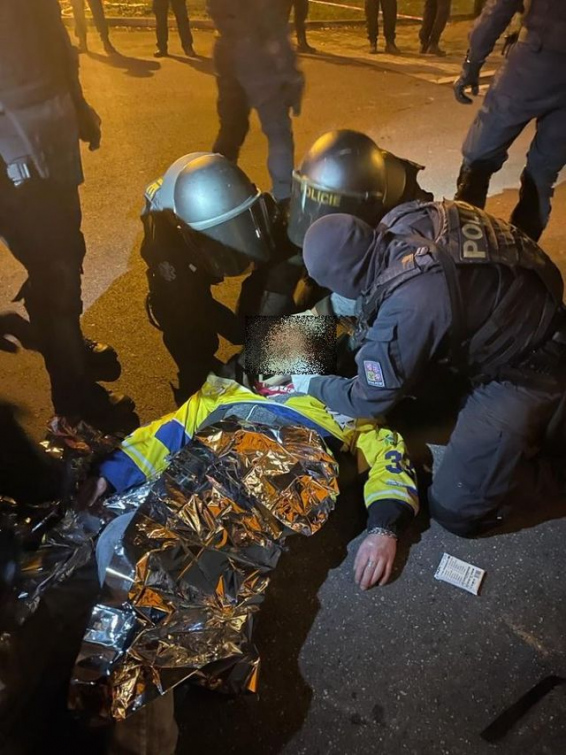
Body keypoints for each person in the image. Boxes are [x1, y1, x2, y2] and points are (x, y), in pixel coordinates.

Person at [294, 198, 566, 537]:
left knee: (457, 509)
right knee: (399, 397)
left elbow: (368, 399)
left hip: (528, 370)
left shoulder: (411, 304)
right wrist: (277, 347)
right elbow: (353, 300)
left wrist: (311, 384)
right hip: (517, 311)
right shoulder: (402, 219)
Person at [0, 0, 135, 429]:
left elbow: (50, 30)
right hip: (10, 145)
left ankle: (66, 341)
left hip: (48, 126)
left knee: (65, 256)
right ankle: (73, 401)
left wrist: (75, 103)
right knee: (55, 269)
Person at [141, 152, 306, 402]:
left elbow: (279, 284)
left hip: (200, 238)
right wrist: (236, 376)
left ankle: (277, 376)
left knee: (273, 294)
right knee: (191, 339)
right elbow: (196, 306)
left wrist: (284, 355)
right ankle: (196, 395)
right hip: (182, 282)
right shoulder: (167, 251)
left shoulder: (264, 210)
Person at [453, 0, 566, 241]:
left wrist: (472, 64)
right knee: (543, 173)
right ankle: (521, 255)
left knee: (480, 155)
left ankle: (462, 251)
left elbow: (498, 8)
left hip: (535, 60)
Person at [207, 0, 304, 202]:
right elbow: (274, 26)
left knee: (231, 130)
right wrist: (292, 75)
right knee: (278, 131)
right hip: (257, 54)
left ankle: (215, 192)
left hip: (226, 51)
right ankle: (284, 196)